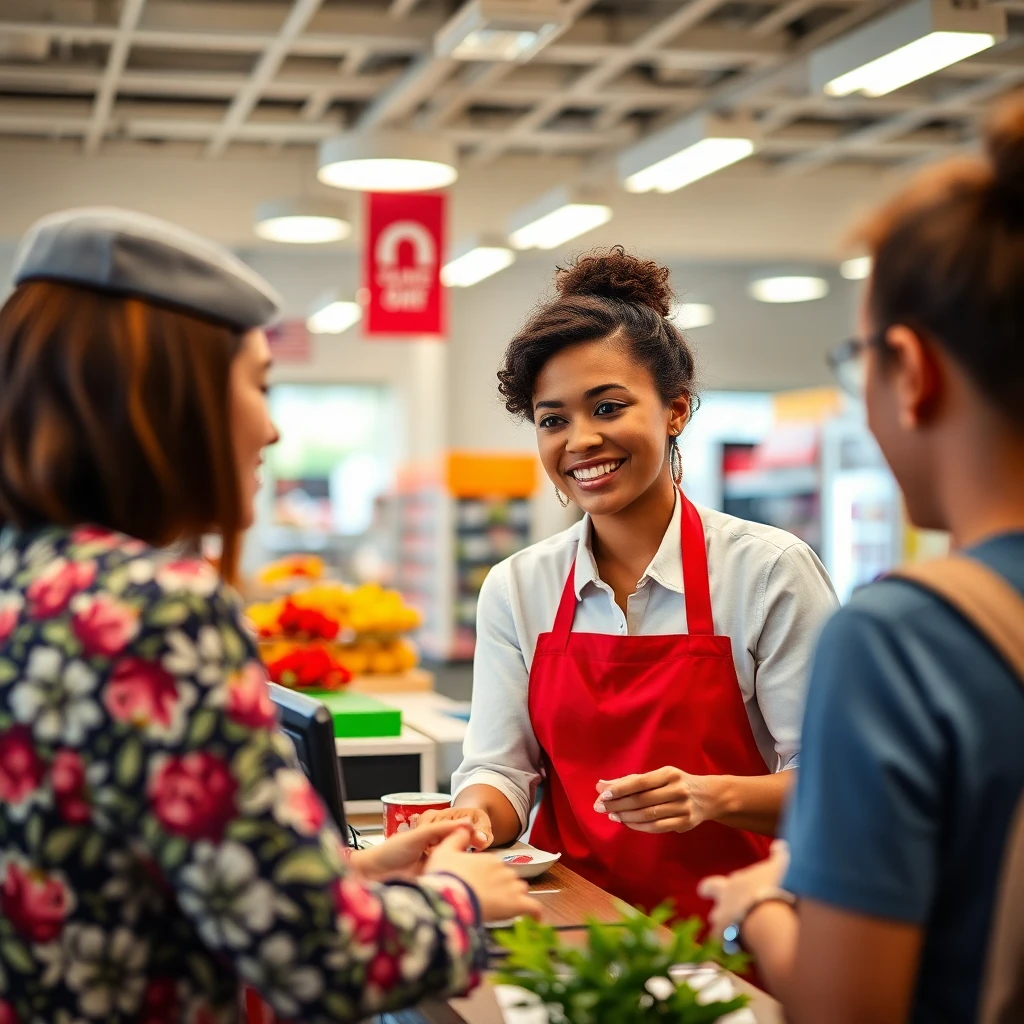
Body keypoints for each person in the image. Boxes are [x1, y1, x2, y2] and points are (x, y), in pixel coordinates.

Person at [0, 207, 539, 1024]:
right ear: (164, 396)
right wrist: (458, 899)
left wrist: (343, 878)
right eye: (257, 384)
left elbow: (110, 881)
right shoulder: (156, 613)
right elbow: (322, 964)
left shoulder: (27, 583)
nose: (272, 425)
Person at [699, 92, 1024, 1024]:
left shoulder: (907, 641)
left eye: (859, 362)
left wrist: (756, 909)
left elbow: (849, 1009)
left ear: (911, 372)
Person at [422, 248, 838, 922]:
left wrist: (713, 797)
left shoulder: (766, 573)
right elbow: (500, 770)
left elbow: (833, 782)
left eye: (608, 407)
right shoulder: (518, 588)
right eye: (552, 419)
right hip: (568, 929)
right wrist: (469, 820)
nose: (580, 440)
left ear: (675, 411)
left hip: (739, 937)